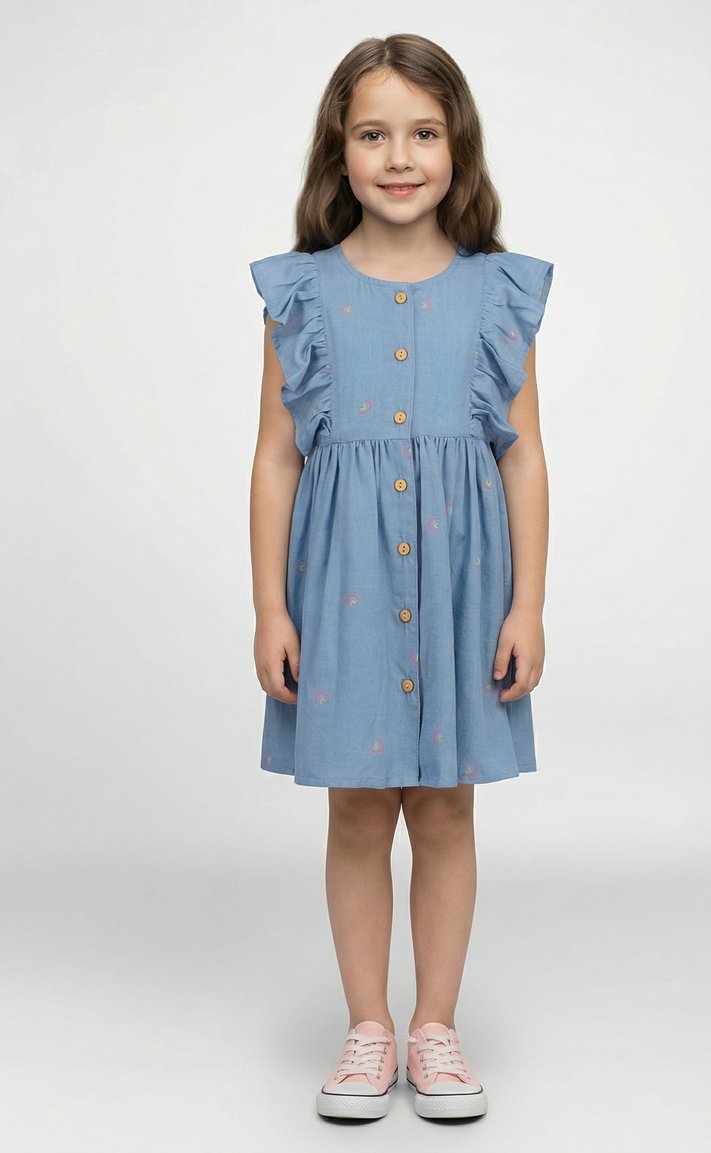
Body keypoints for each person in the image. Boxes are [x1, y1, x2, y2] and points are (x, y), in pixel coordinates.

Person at [248, 33, 554, 1122]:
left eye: (422, 133)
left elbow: (522, 455)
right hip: (342, 589)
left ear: (455, 145)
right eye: (373, 134)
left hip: (465, 590)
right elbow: (276, 458)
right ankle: (367, 1027)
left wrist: (526, 603)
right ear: (339, 148)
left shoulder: (495, 292)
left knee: (446, 807)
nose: (399, 157)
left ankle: (435, 1027)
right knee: (356, 810)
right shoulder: (301, 295)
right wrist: (270, 608)